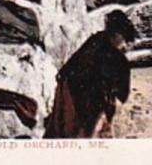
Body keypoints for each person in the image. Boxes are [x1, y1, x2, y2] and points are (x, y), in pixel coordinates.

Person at [44, 10, 136, 138]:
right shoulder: (101, 44)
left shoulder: (111, 52)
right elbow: (74, 63)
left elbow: (121, 93)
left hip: (89, 98)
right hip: (80, 95)